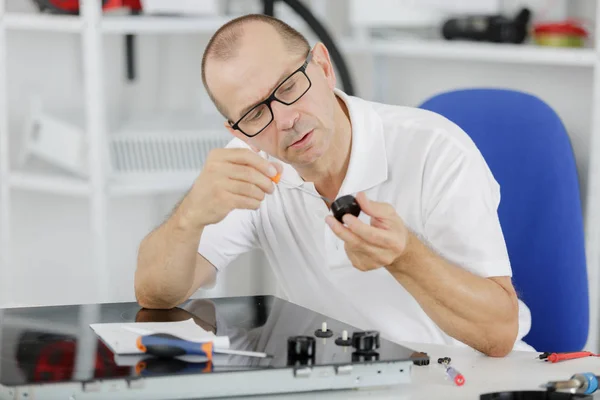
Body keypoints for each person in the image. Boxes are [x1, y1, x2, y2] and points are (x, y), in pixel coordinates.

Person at [134, 14, 534, 357]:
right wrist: (189, 217)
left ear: (323, 66)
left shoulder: (434, 148)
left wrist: (404, 256)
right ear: (239, 130)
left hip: (460, 379)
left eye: (289, 87)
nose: (285, 119)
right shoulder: (251, 163)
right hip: (342, 380)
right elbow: (155, 295)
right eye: (256, 113)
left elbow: (498, 335)